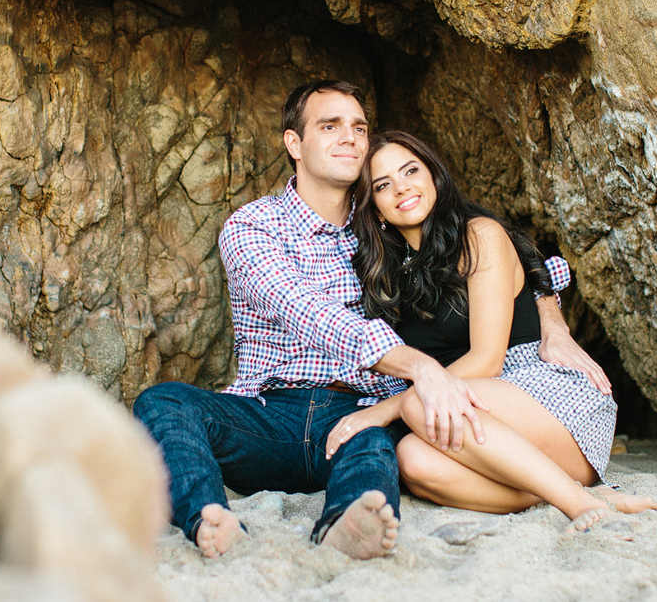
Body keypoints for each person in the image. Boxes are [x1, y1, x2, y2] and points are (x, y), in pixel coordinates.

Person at [133, 81, 598, 559]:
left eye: (358, 126)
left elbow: (496, 254)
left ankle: (347, 523)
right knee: (163, 402)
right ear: (295, 144)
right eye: (329, 126)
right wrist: (419, 367)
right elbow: (307, 312)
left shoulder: (383, 225)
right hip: (269, 415)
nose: (350, 137)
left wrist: (550, 314)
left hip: (362, 406)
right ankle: (208, 515)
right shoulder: (253, 226)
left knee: (380, 450)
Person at [324, 130, 657, 531]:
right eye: (383, 185)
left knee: (420, 402)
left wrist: (388, 409)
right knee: (413, 461)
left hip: (543, 392)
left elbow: (487, 358)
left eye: (411, 170)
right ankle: (567, 489)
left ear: (433, 175)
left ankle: (579, 505)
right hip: (479, 413)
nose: (402, 188)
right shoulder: (387, 275)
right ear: (376, 207)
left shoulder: (479, 235)